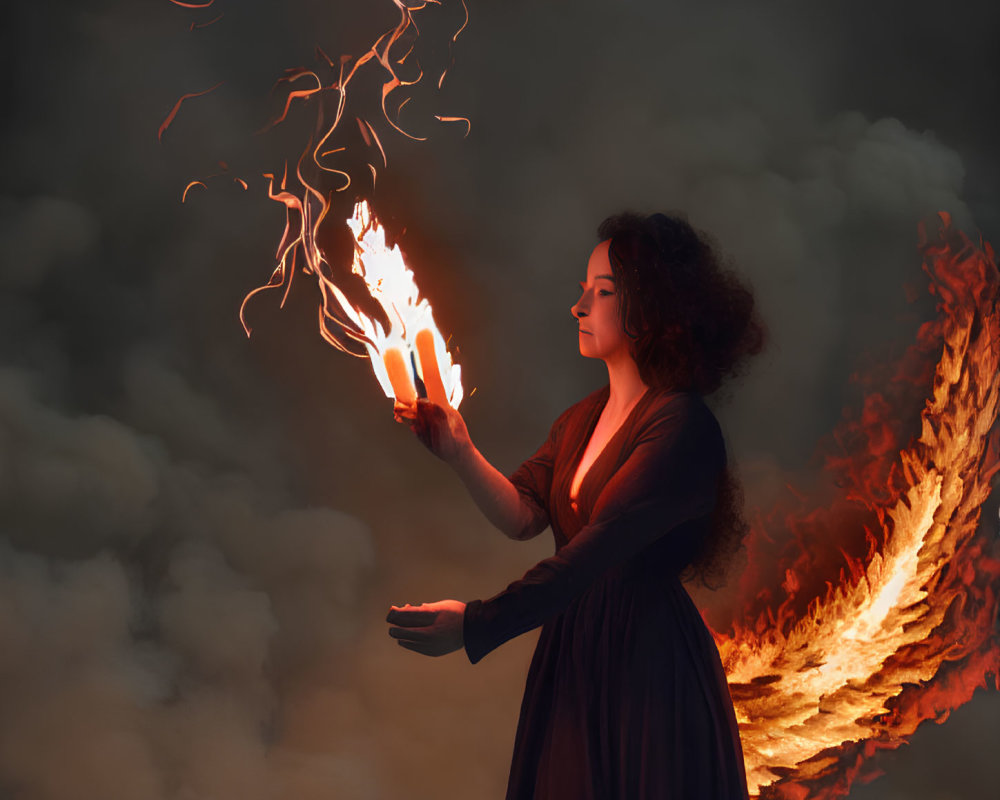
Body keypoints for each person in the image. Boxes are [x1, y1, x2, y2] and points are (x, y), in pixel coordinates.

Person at [385, 211, 766, 799]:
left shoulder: (680, 426)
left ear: (654, 307)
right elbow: (523, 515)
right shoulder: (581, 420)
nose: (580, 306)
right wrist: (459, 451)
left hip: (647, 669)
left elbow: (591, 556)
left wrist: (476, 624)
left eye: (603, 292)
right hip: (574, 657)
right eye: (583, 289)